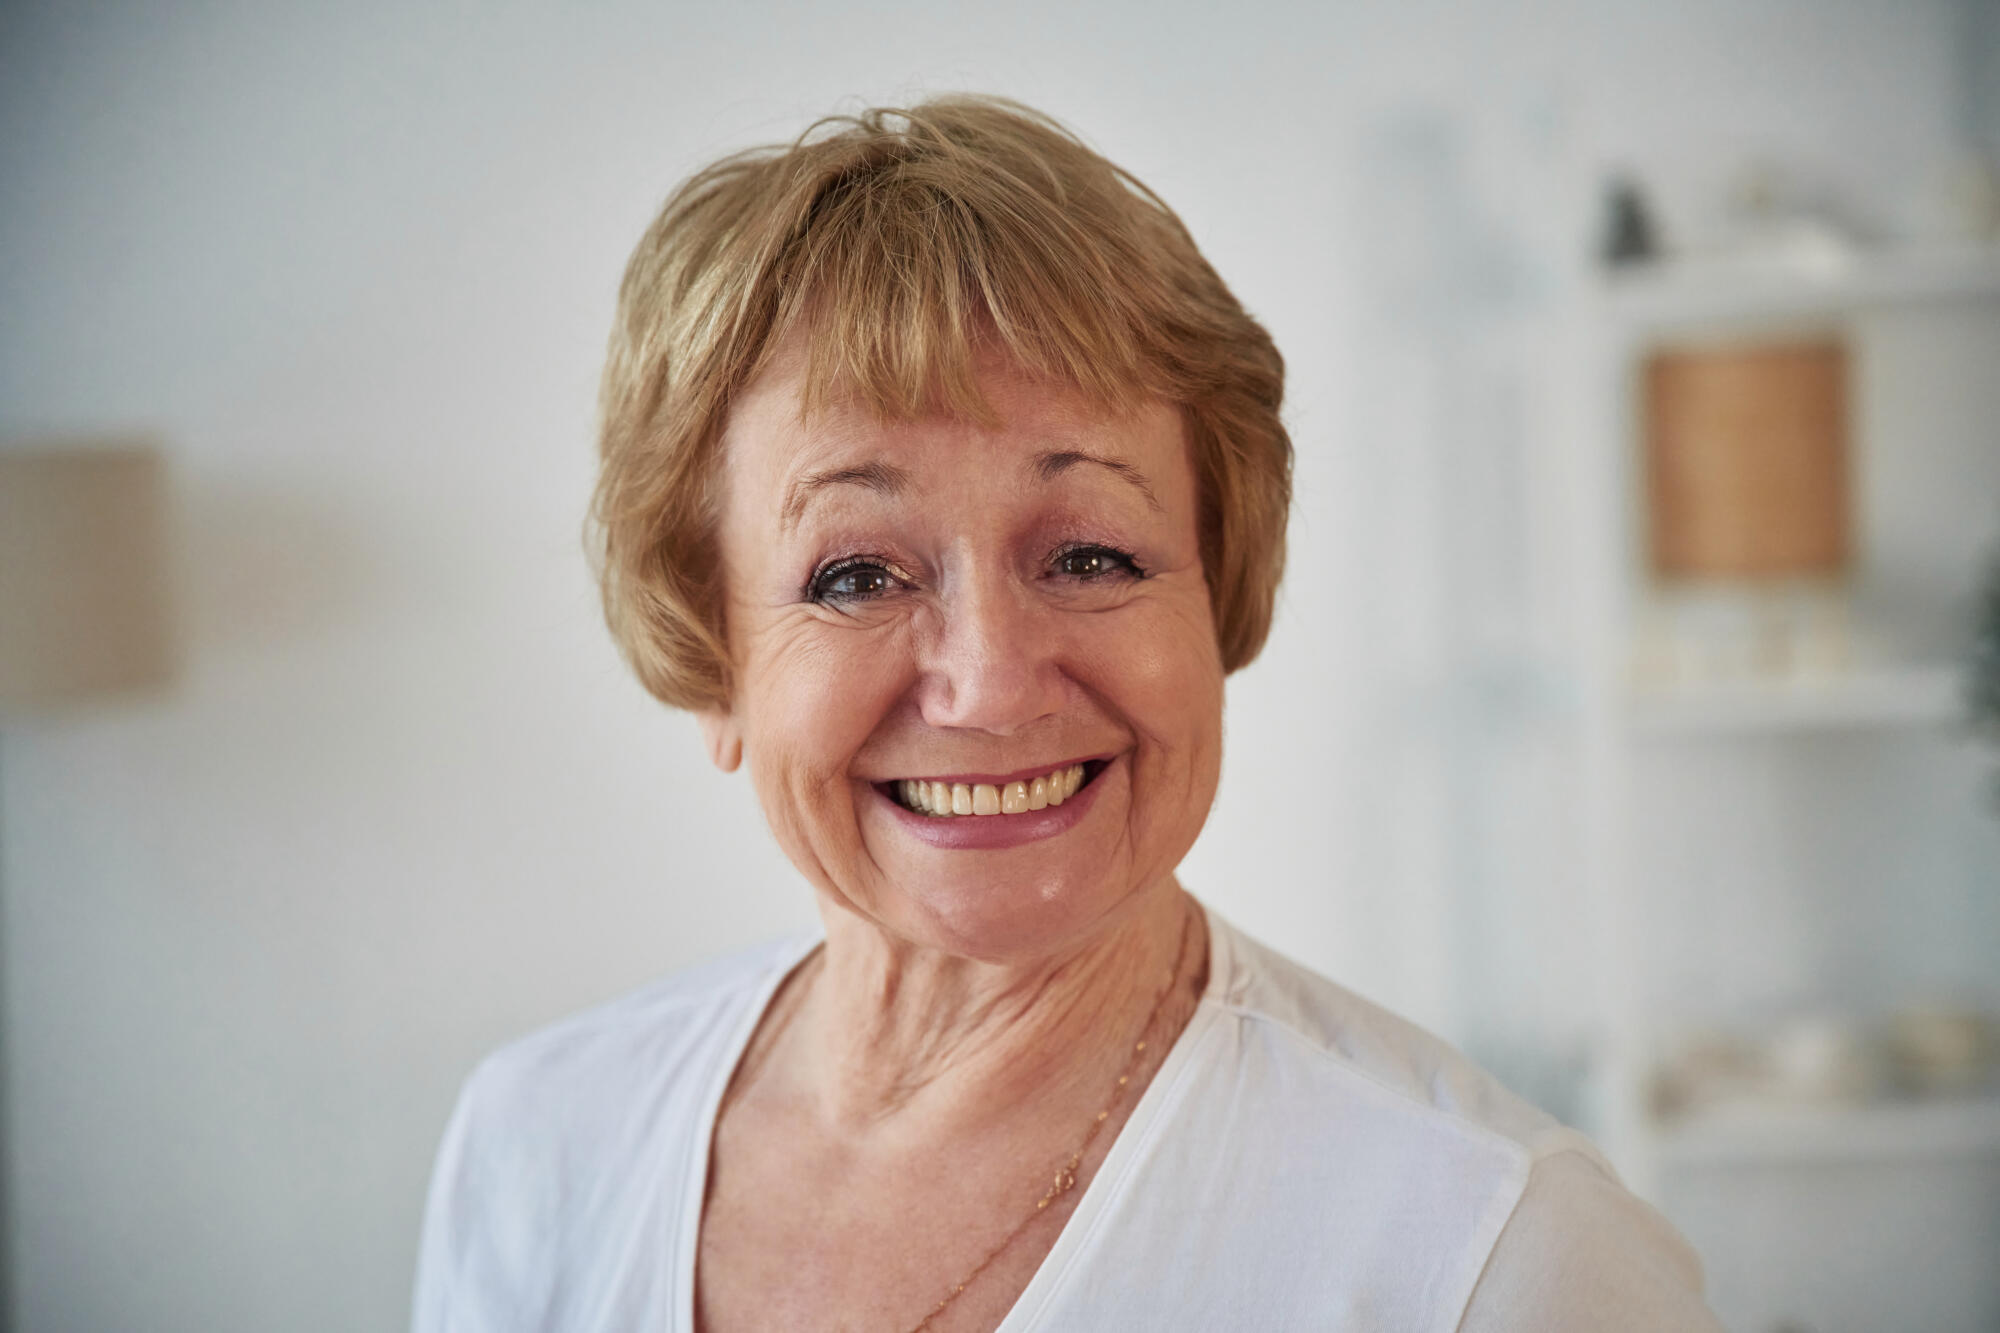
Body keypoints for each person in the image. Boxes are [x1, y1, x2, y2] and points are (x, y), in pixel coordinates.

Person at [413, 96, 1720, 1332]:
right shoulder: (539, 1144)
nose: (988, 681)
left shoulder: (1501, 1255)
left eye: (1091, 555)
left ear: (1222, 601)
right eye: (857, 572)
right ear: (715, 662)